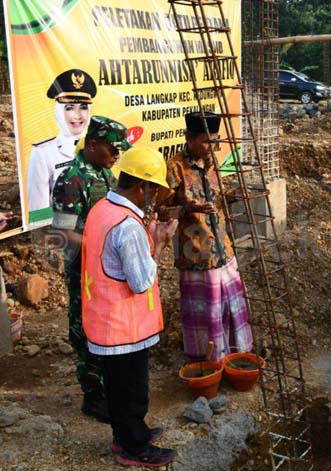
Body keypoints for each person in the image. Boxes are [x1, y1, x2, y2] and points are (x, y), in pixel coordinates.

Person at [81, 147, 177, 467]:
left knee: (120, 387)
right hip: (124, 327)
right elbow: (140, 282)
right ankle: (133, 446)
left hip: (105, 321)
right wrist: (161, 242)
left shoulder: (102, 209)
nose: (156, 197)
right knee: (131, 390)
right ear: (142, 187)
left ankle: (131, 432)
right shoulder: (128, 226)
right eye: (156, 190)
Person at [52, 116, 131, 423]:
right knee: (87, 328)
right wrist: (103, 245)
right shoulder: (72, 179)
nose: (117, 155)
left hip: (106, 269)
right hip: (84, 271)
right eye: (113, 148)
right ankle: (92, 396)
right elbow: (63, 233)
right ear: (94, 144)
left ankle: (107, 386)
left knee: (107, 324)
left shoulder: (105, 173)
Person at [159, 112, 253, 362]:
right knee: (207, 313)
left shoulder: (212, 165)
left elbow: (217, 199)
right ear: (189, 139)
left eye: (215, 141)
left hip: (223, 249)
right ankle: (207, 359)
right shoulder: (175, 167)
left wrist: (234, 196)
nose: (212, 147)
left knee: (231, 306)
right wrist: (190, 209)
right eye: (206, 141)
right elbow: (161, 211)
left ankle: (234, 355)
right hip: (196, 253)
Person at [26, 69, 97, 213]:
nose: (77, 116)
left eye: (83, 107)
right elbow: (39, 212)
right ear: (59, 111)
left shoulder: (97, 146)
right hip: (62, 232)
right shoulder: (43, 153)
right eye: (69, 108)